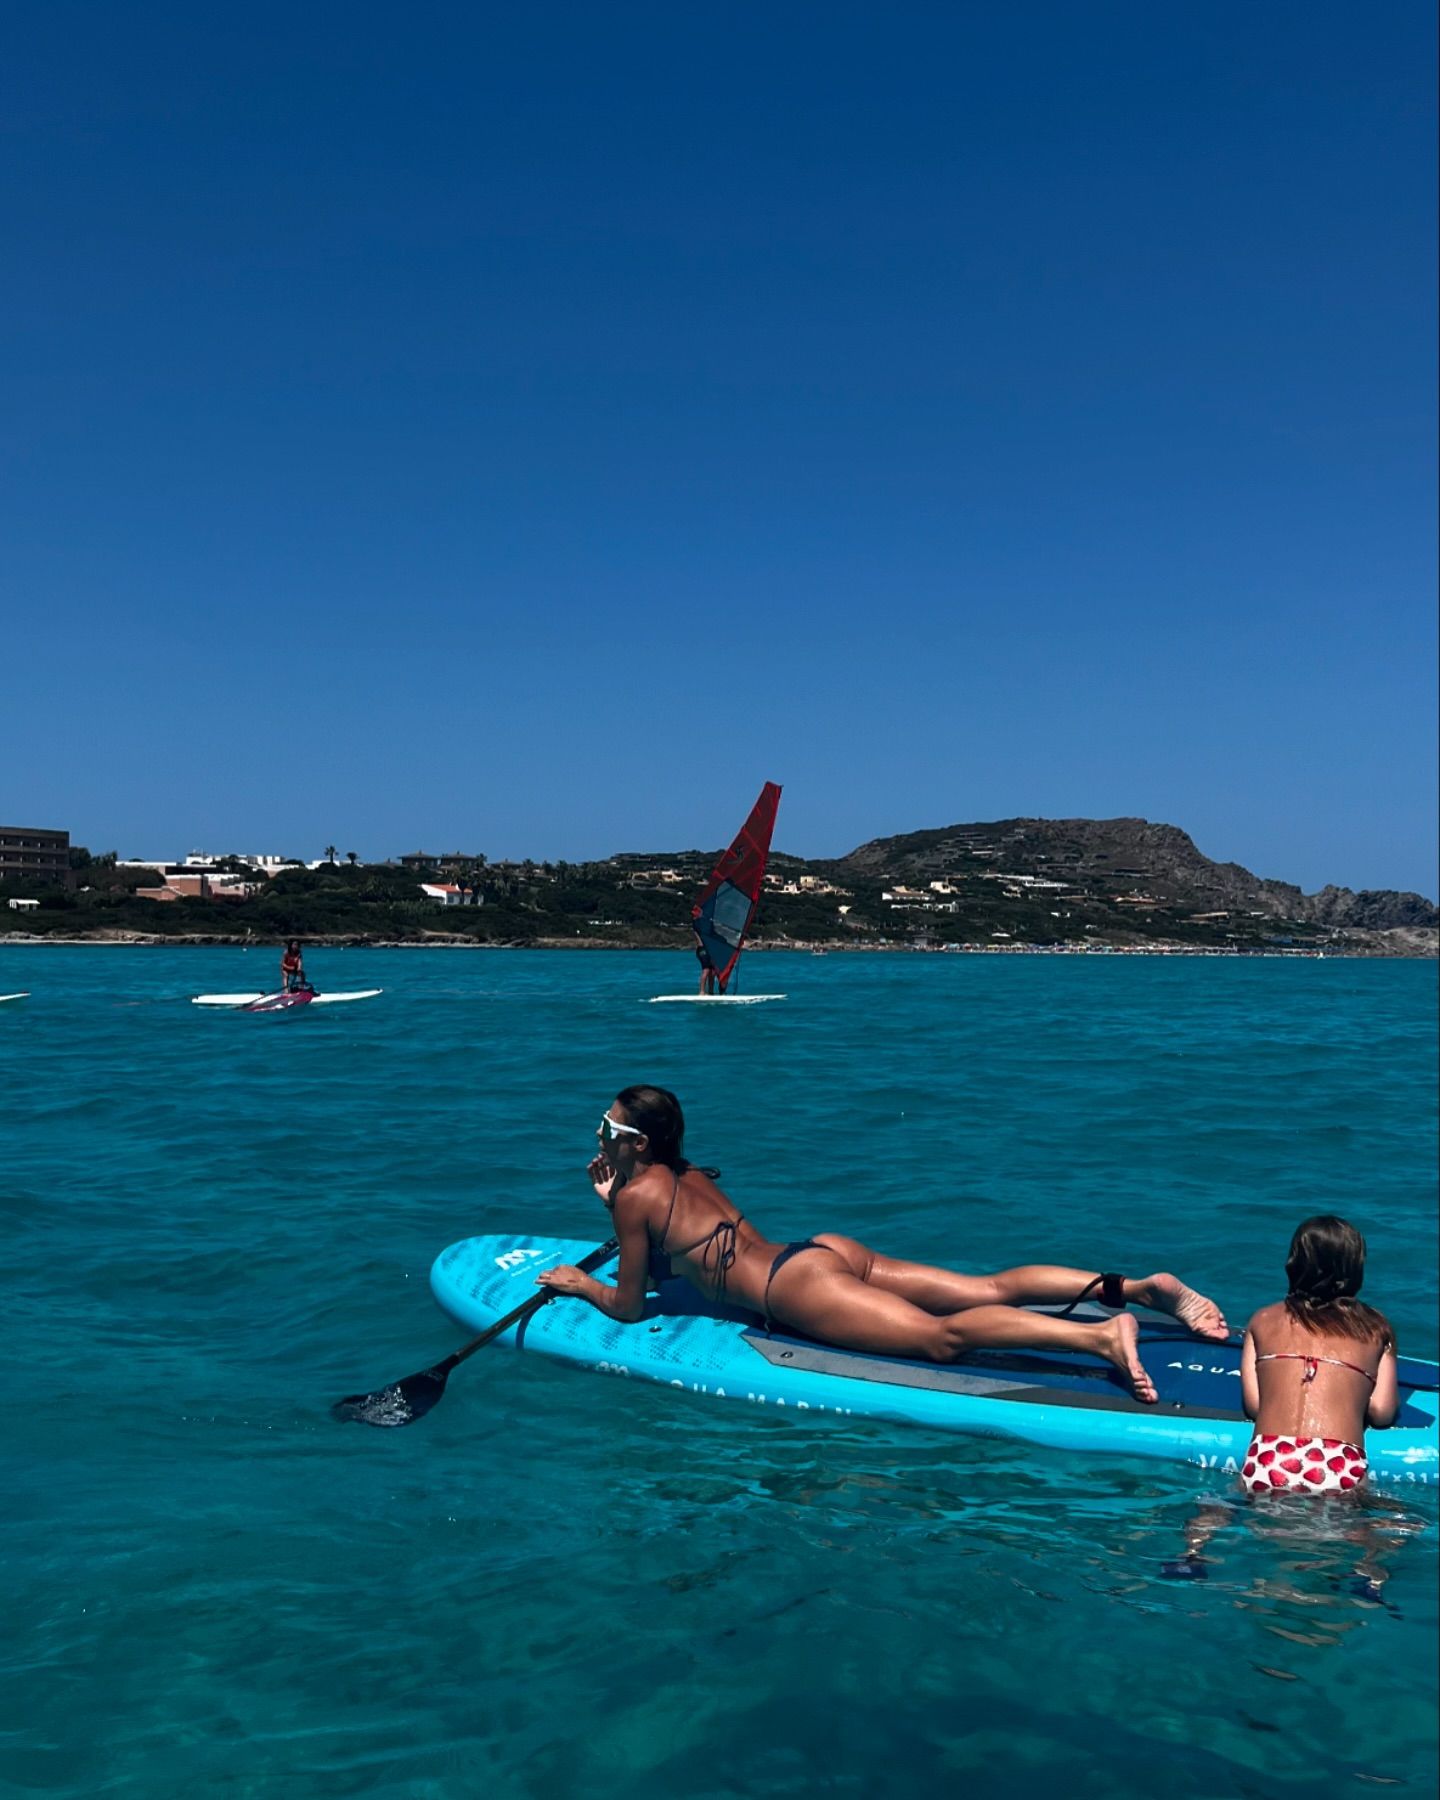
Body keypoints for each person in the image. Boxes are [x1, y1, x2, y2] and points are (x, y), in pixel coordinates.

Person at [535, 1085, 1230, 1401]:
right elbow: (677, 1253)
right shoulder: (685, 1176)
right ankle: (1136, 1288)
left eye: (607, 1126)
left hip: (796, 1292)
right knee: (984, 1286)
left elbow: (630, 1304)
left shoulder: (636, 1196)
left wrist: (581, 1285)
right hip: (820, 1252)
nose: (599, 1133)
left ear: (636, 1143)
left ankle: (1104, 1339)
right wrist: (616, 1208)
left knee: (942, 1339)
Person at [1237, 1215, 1398, 1495]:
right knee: (1371, 1524)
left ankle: (1209, 1521)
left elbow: (1255, 1406)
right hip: (1337, 1465)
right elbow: (1381, 1412)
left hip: (1269, 1459)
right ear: (1355, 1267)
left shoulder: (1261, 1320)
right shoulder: (1376, 1328)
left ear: (1293, 1264)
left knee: (1233, 1497)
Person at [692, 926, 719, 996]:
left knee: (712, 972)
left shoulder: (710, 926)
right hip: (702, 949)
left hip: (710, 950)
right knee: (706, 969)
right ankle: (701, 992)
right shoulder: (698, 925)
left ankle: (711, 992)